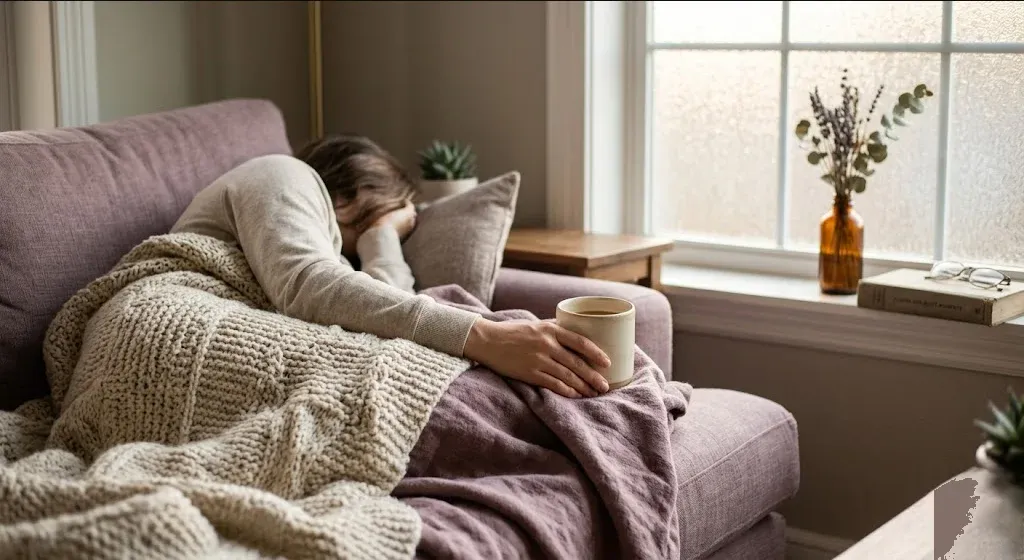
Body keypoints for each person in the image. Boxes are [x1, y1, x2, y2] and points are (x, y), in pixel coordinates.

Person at [171, 134, 611, 398]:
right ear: (361, 188)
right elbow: (310, 287)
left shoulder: (324, 252)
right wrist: (483, 337)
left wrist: (376, 239)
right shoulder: (281, 173)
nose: (398, 228)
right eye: (398, 212)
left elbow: (384, 309)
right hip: (179, 320)